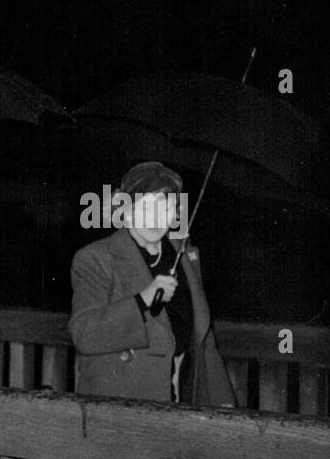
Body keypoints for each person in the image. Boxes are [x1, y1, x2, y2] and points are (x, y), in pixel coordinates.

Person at [69, 161, 235, 405]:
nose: (157, 219)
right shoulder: (96, 258)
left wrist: (221, 399)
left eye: (167, 208)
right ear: (124, 210)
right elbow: (83, 333)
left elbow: (203, 338)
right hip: (120, 404)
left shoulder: (184, 256)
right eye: (147, 208)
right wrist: (142, 300)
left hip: (180, 398)